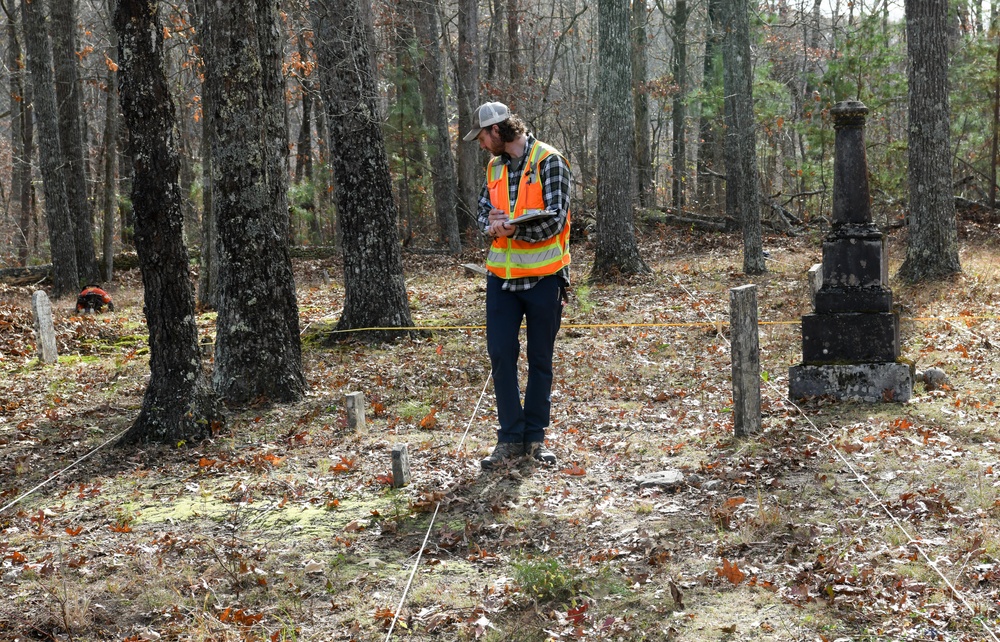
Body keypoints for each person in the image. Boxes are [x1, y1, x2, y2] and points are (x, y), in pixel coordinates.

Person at [464, 101, 572, 470]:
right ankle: (509, 439)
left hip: (544, 279)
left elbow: (556, 220)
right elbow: (481, 210)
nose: (480, 144)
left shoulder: (549, 160)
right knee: (501, 355)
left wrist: (515, 230)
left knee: (541, 359)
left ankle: (535, 439)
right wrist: (490, 224)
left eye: (481, 136)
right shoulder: (494, 166)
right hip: (501, 280)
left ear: (496, 131)